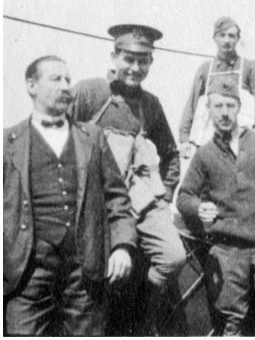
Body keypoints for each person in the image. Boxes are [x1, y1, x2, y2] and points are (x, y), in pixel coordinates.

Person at [4, 56, 137, 336]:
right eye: (56, 79)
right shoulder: (8, 142)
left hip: (85, 269)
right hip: (26, 270)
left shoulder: (92, 136)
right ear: (31, 86)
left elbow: (117, 197)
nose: (66, 86)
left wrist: (122, 246)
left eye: (68, 79)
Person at [68, 24, 186, 335]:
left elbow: (171, 156)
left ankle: (139, 310)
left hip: (139, 204)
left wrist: (164, 196)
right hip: (94, 202)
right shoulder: (89, 92)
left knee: (173, 257)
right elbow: (61, 140)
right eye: (129, 59)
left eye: (143, 61)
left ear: (151, 63)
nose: (135, 68)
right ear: (114, 56)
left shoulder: (151, 104)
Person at [177, 76, 255, 336]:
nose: (224, 113)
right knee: (231, 321)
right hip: (227, 249)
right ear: (209, 111)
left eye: (230, 106)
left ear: (238, 107)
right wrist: (198, 208)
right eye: (218, 107)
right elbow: (184, 196)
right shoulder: (205, 155)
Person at [179, 16, 255, 158]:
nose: (226, 40)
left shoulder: (248, 67)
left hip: (241, 142)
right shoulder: (205, 69)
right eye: (222, 35)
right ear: (214, 38)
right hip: (209, 140)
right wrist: (184, 138)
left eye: (231, 36)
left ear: (237, 39)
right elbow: (191, 105)